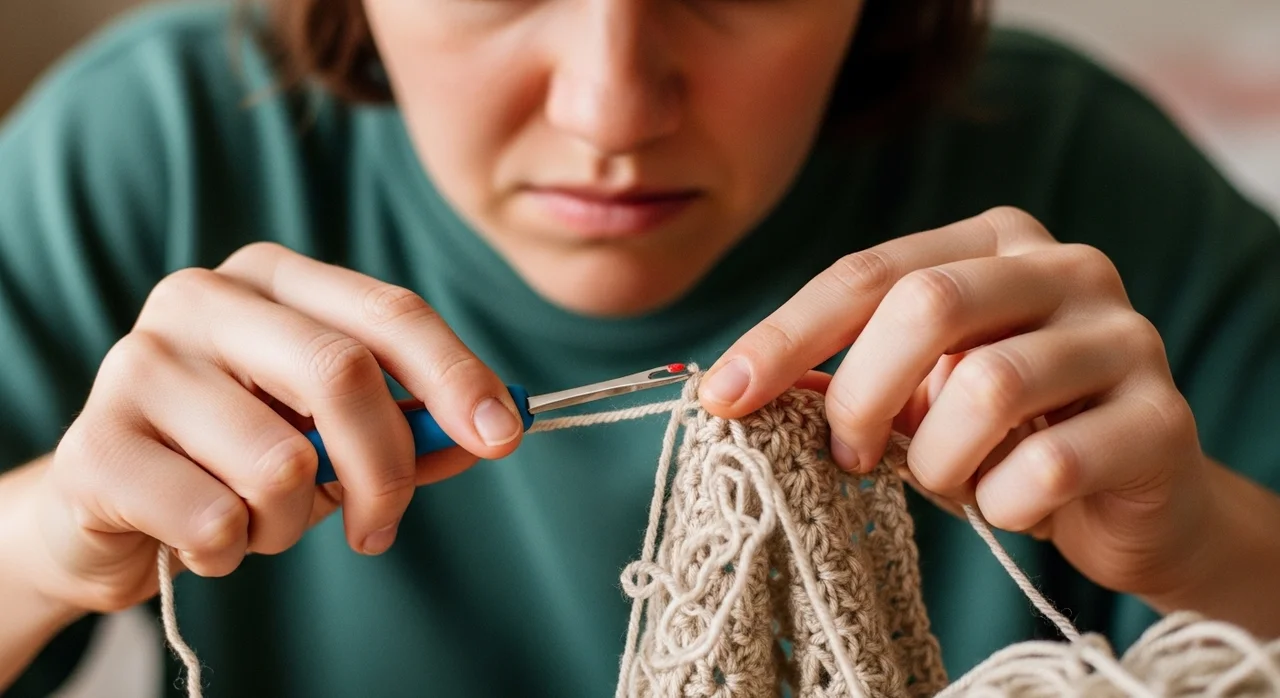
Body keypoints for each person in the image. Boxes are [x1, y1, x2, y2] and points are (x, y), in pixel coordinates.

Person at [1, 0, 1277, 695]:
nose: (610, 107)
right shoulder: (147, 154)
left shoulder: (1090, 190)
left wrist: (1209, 544)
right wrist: (51, 533)